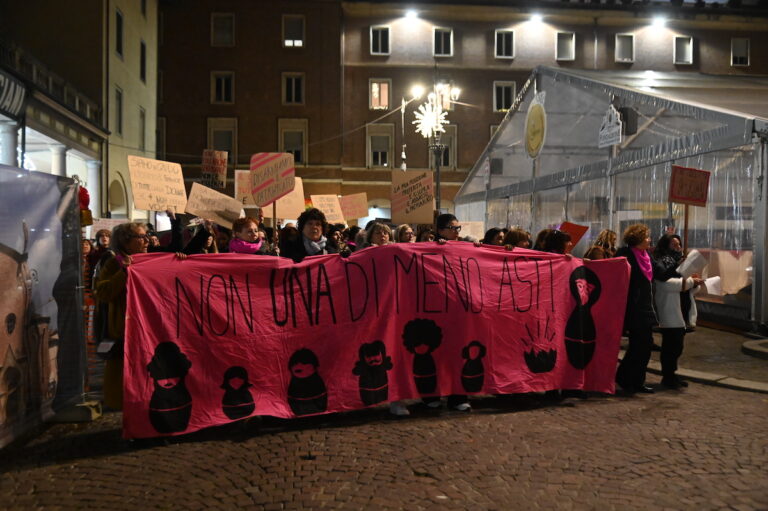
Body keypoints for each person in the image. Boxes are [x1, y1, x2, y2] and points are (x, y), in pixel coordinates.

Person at [93, 222, 150, 410]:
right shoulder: (113, 262)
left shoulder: (149, 260)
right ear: (126, 242)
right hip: (122, 329)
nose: (146, 240)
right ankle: (120, 409)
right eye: (140, 237)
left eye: (145, 236)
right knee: (119, 372)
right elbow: (102, 292)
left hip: (146, 328)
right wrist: (123, 272)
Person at [653, 234, 703, 389]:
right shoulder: (662, 261)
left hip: (682, 306)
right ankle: (668, 376)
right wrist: (690, 282)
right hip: (670, 307)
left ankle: (672, 374)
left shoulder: (682, 261)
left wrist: (695, 283)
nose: (678, 247)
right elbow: (665, 284)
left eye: (679, 244)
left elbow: (690, 289)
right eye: (673, 244)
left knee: (677, 345)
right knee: (671, 345)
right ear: (665, 245)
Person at [615, 223, 657, 394]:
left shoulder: (647, 256)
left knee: (644, 346)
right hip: (633, 308)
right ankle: (628, 379)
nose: (649, 240)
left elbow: (661, 272)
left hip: (647, 307)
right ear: (638, 238)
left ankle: (633, 379)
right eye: (646, 236)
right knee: (640, 345)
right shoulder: (625, 254)